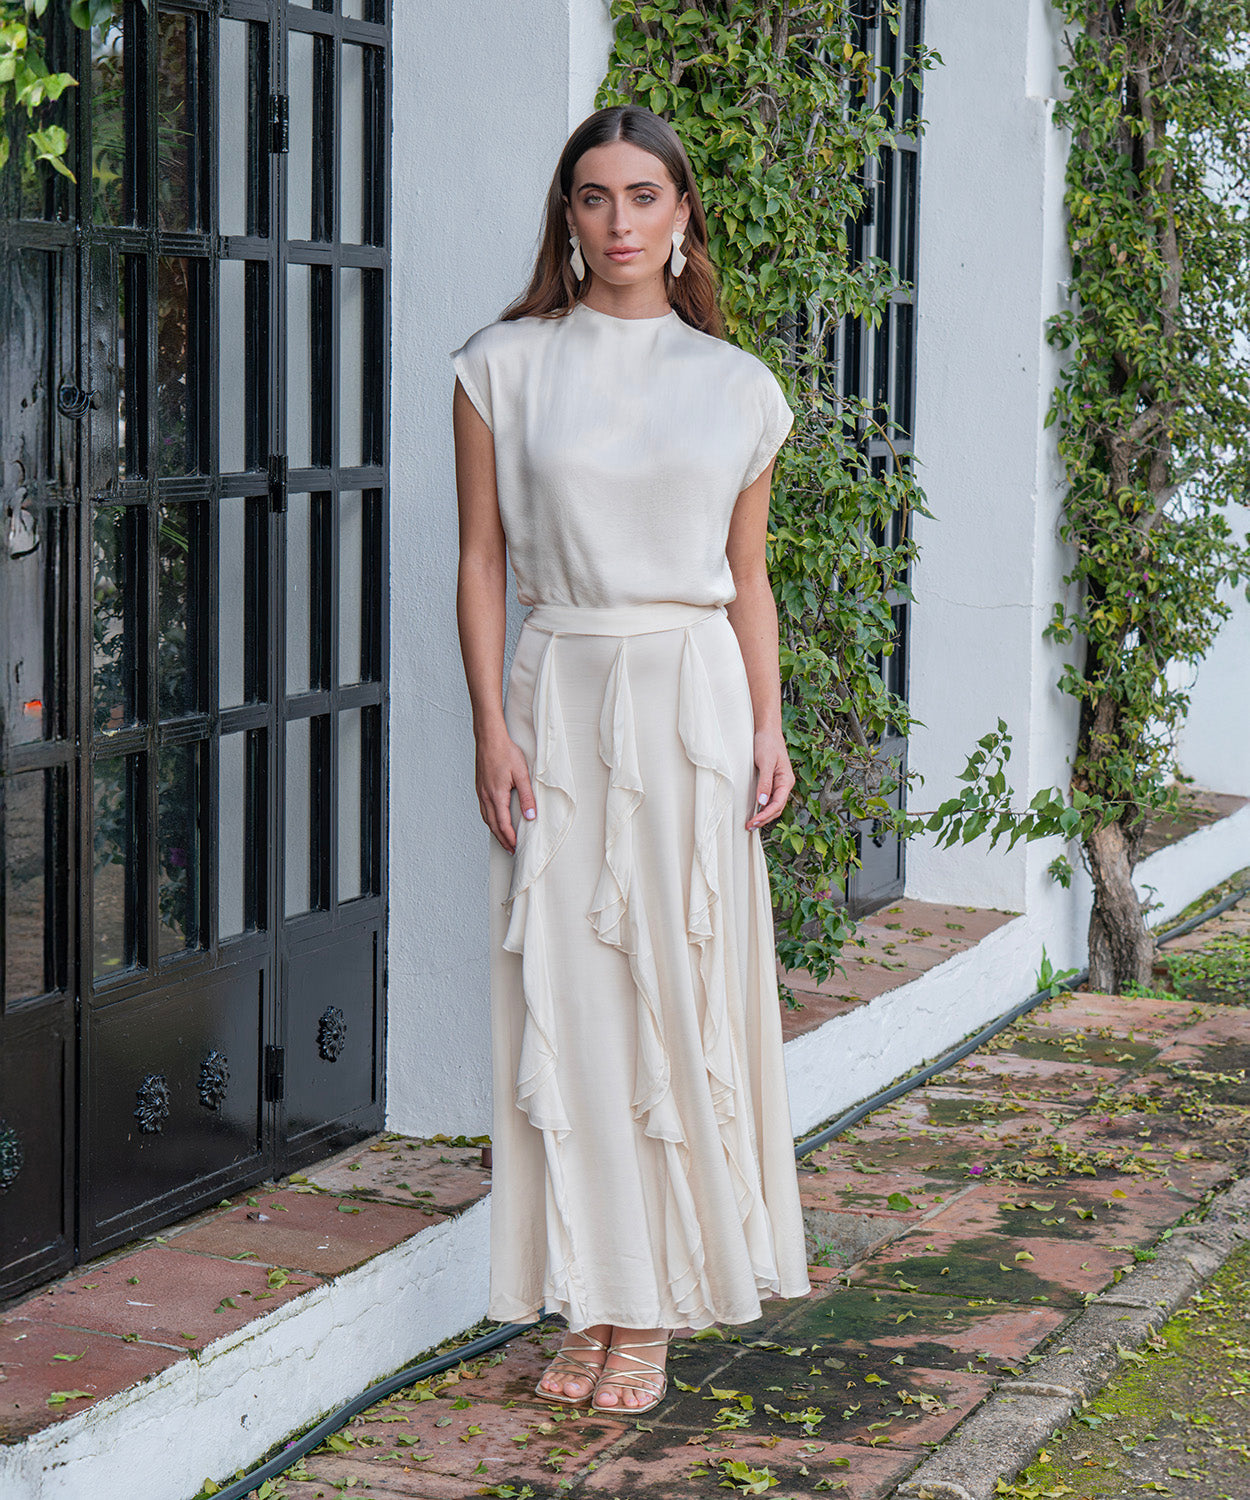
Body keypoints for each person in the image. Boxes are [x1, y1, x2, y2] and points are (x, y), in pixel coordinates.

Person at [450, 104, 811, 1417]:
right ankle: (592, 1294)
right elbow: (480, 560)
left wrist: (767, 725)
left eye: (643, 196)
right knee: (569, 999)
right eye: (594, 197)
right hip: (557, 696)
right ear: (567, 214)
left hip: (690, 707)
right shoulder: (498, 367)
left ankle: (647, 1312)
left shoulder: (739, 388)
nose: (618, 222)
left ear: (680, 216)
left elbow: (747, 579)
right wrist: (489, 727)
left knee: (677, 994)